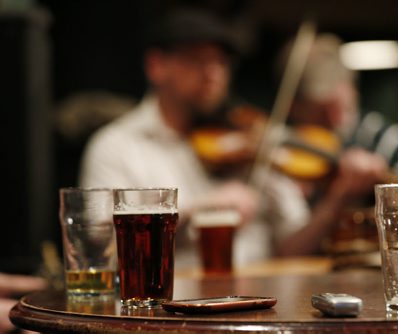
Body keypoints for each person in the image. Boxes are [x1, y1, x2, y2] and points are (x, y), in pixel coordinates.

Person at [79, 8, 313, 267]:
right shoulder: (116, 146)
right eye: (197, 60)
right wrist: (201, 209)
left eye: (221, 62)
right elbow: (103, 247)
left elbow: (295, 242)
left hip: (266, 299)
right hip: (172, 302)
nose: (213, 73)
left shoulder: (247, 143)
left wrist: (338, 199)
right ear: (156, 66)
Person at [278, 33, 398, 252]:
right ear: (293, 106)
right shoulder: (283, 157)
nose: (336, 119)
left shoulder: (382, 137)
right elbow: (282, 250)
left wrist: (397, 197)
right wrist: (337, 198)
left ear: (352, 88)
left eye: (341, 107)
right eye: (321, 111)